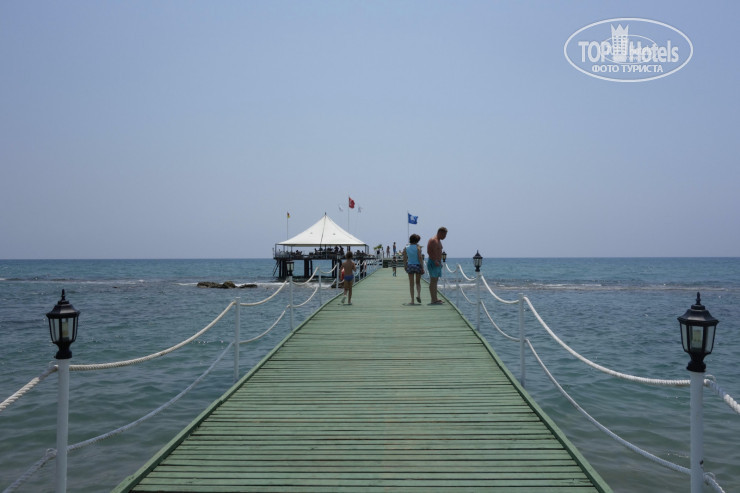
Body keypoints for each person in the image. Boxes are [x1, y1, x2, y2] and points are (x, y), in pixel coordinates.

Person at [426, 226, 448, 304]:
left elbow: (438, 252)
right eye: (444, 235)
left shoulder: (438, 240)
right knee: (433, 281)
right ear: (440, 233)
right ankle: (433, 300)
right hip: (433, 262)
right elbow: (429, 251)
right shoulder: (433, 240)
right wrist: (435, 260)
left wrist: (439, 261)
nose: (445, 237)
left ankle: (435, 298)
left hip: (437, 263)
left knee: (436, 281)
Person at [403, 234, 424, 304]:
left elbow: (404, 257)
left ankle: (412, 301)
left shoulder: (406, 247)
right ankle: (418, 295)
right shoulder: (418, 247)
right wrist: (422, 267)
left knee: (411, 284)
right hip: (417, 265)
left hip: (410, 265)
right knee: (418, 282)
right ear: (417, 241)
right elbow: (420, 257)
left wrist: (405, 266)